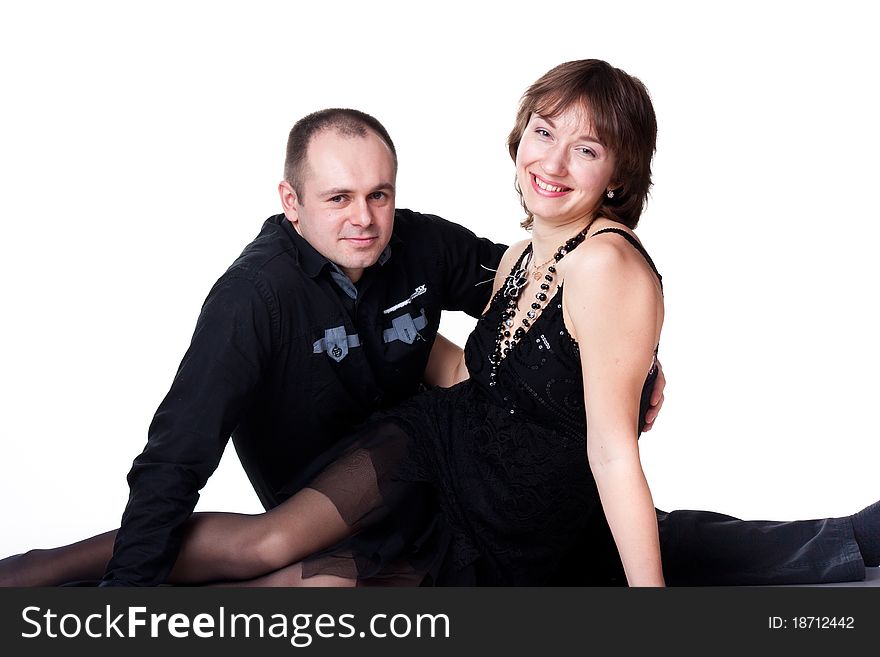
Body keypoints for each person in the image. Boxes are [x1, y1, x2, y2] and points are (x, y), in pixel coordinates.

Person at [1, 62, 877, 586]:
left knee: (294, 587)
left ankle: (850, 542)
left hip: (493, 503)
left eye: (379, 193)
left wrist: (635, 366)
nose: (364, 218)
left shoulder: (460, 245)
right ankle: (36, 576)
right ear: (291, 201)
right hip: (400, 463)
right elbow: (176, 455)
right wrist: (123, 601)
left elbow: (572, 356)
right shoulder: (256, 297)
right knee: (267, 544)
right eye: (338, 196)